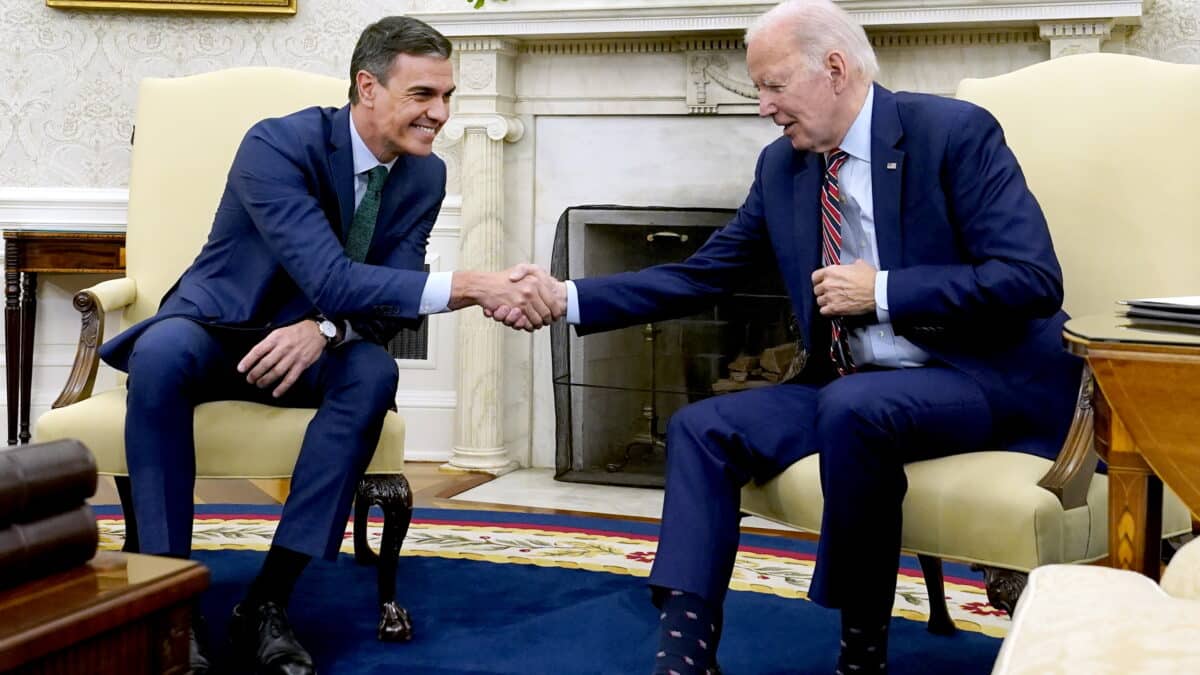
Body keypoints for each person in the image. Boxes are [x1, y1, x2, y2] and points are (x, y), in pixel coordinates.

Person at [495, 1, 1082, 672]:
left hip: (980, 378)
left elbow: (1031, 278)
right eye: (760, 90)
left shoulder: (953, 134)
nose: (765, 106)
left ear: (834, 68)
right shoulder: (785, 167)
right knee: (703, 427)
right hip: (853, 388)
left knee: (854, 408)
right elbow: (705, 273)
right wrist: (565, 295)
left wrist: (883, 290)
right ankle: (684, 653)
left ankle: (861, 647)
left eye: (774, 86)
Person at [99, 16, 563, 675]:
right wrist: (474, 284)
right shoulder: (277, 145)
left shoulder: (423, 176)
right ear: (367, 88)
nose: (441, 114)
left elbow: (386, 296)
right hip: (219, 329)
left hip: (312, 345)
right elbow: (333, 276)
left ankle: (267, 601)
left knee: (371, 370)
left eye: (448, 96)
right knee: (160, 352)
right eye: (424, 95)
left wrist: (323, 332)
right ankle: (171, 605)